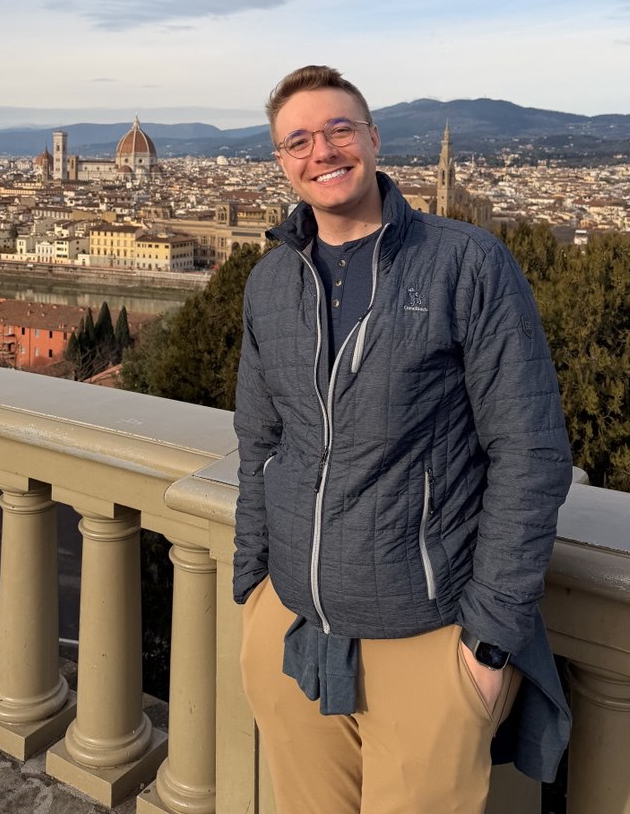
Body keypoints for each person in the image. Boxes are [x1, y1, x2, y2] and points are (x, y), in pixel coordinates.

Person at [233, 65, 572, 814]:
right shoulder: (270, 283)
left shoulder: (467, 264)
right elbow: (258, 441)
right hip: (291, 627)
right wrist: (253, 588)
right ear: (282, 162)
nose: (321, 150)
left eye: (339, 129)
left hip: (427, 641)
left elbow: (532, 453)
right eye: (298, 139)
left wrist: (487, 645)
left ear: (375, 140)